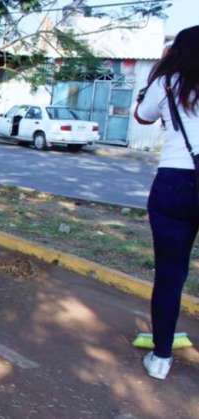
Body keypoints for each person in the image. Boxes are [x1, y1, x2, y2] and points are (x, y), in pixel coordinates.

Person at [134, 25, 199, 381]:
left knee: (171, 275)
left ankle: (160, 359)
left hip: (174, 181)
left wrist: (160, 70)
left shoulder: (167, 83)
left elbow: (142, 116)